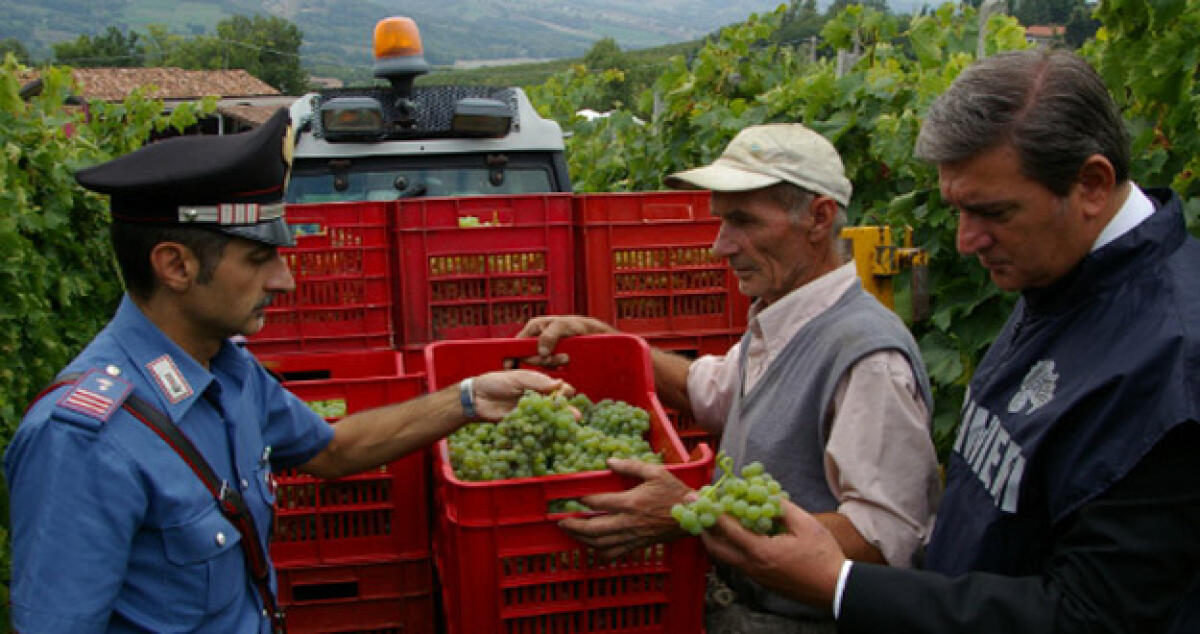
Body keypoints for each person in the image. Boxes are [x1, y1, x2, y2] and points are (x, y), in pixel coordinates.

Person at [3, 108, 570, 633]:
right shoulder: (83, 441)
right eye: (258, 260)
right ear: (175, 265)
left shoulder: (228, 370)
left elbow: (331, 450)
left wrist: (469, 398)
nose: (285, 282)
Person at [700, 49, 1200, 634]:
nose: (964, 241)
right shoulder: (1061, 277)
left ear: (1091, 184)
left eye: (991, 211)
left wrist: (839, 585)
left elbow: (1089, 617)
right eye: (956, 209)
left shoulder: (1171, 363)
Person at [518, 123, 941, 633]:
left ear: (819, 217)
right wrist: (608, 340)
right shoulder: (785, 316)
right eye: (722, 221)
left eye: (743, 222)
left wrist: (691, 514)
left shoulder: (867, 357)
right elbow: (713, 390)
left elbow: (882, 539)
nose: (721, 246)